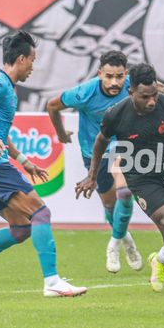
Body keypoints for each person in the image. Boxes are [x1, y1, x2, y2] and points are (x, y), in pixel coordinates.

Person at [0, 30, 87, 298]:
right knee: (41, 214)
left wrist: (24, 161)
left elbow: (0, 134)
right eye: (32, 59)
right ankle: (52, 281)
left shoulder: (6, 87)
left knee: (21, 229)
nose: (34, 66)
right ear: (21, 59)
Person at [75, 63, 164, 293]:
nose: (151, 102)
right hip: (139, 176)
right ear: (131, 92)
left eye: (154, 95)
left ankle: (159, 259)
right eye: (145, 96)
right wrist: (92, 176)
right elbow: (99, 143)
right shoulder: (115, 114)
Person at [47, 50, 142, 274]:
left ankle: (113, 246)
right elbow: (52, 106)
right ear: (100, 73)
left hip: (123, 146)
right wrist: (60, 133)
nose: (114, 82)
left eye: (119, 76)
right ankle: (125, 240)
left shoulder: (133, 85)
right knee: (110, 207)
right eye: (109, 76)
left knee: (126, 193)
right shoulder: (84, 93)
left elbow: (159, 91)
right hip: (94, 153)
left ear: (125, 74)